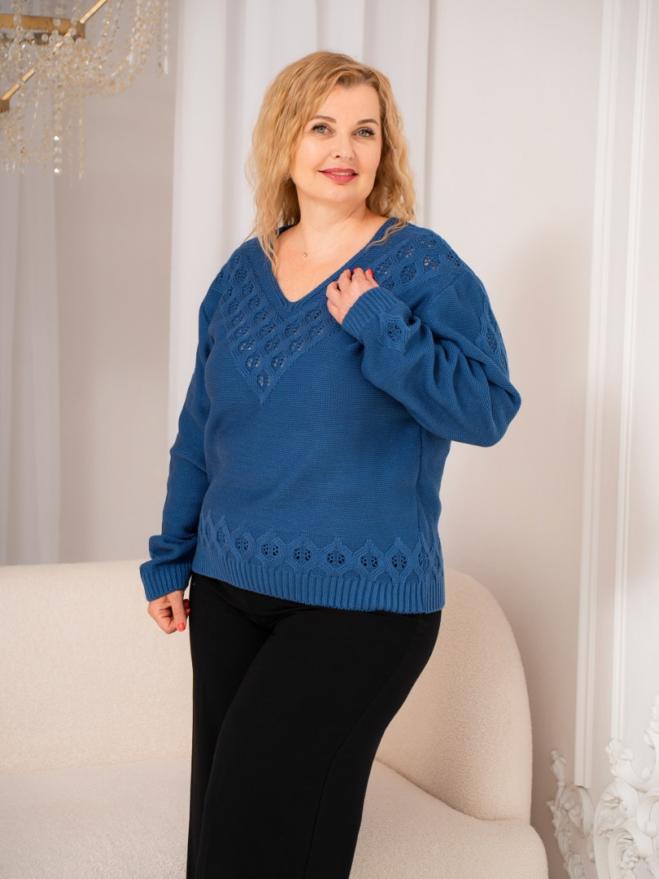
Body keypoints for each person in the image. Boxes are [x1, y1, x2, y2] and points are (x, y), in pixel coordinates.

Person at [139, 50, 522, 879]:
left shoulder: (417, 267)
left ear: (385, 150)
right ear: (285, 142)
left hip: (361, 607)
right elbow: (201, 427)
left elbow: (486, 408)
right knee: (219, 836)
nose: (343, 148)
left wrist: (381, 321)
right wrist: (170, 554)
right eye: (321, 127)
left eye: (364, 131)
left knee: (257, 834)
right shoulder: (241, 273)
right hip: (228, 589)